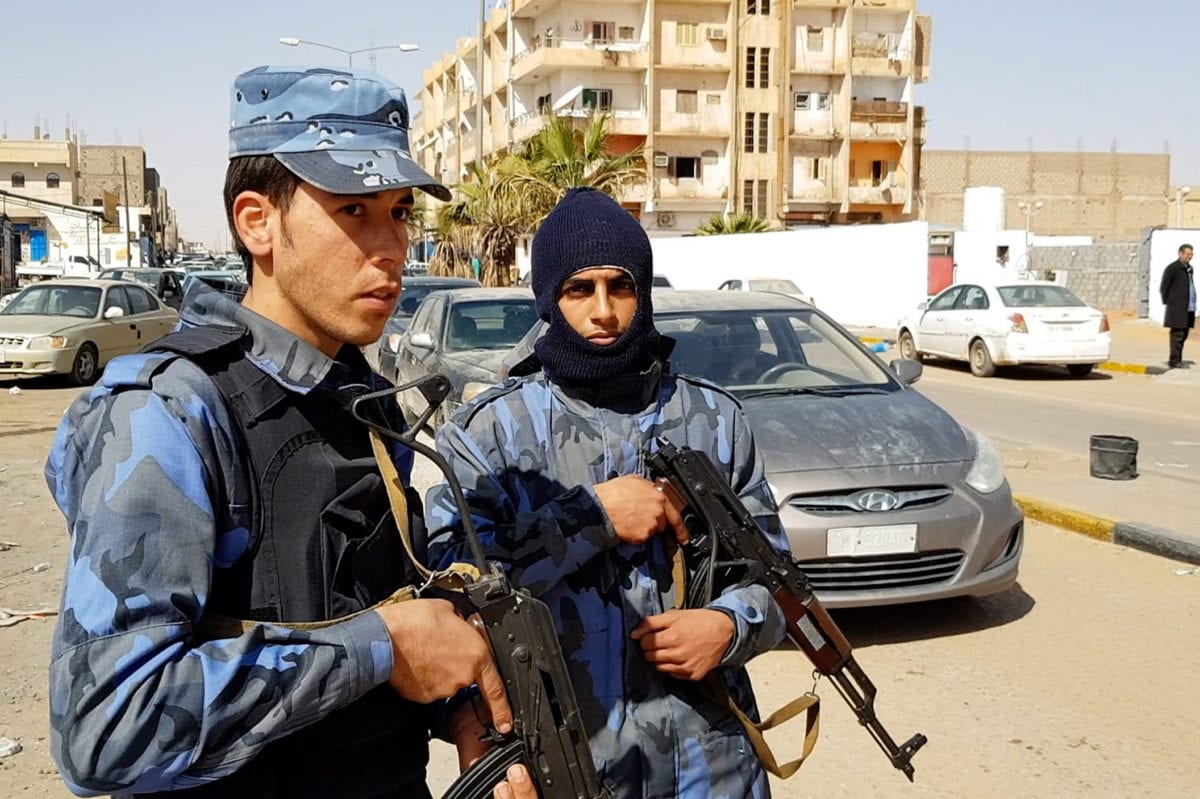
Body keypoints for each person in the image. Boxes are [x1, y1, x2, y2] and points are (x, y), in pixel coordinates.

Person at [45, 65, 533, 799]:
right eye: (353, 212)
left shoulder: (361, 398)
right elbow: (106, 726)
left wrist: (459, 705)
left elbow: (380, 612)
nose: (394, 248)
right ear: (257, 222)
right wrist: (383, 648)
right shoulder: (169, 410)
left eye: (400, 212)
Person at [425, 187, 790, 798]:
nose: (603, 311)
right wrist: (590, 519)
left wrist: (729, 626)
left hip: (713, 766)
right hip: (568, 766)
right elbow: (451, 594)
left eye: (620, 286)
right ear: (550, 298)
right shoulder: (486, 433)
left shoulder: (714, 419)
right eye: (579, 289)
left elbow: (777, 578)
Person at [1160, 243, 1196, 368]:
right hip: (1177, 308)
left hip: (1188, 308)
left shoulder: (1189, 269)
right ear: (1180, 254)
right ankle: (1174, 361)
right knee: (1177, 335)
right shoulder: (1173, 268)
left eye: (1191, 254)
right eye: (1187, 254)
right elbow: (1164, 287)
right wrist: (1170, 302)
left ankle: (1178, 359)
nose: (1189, 256)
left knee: (1184, 335)